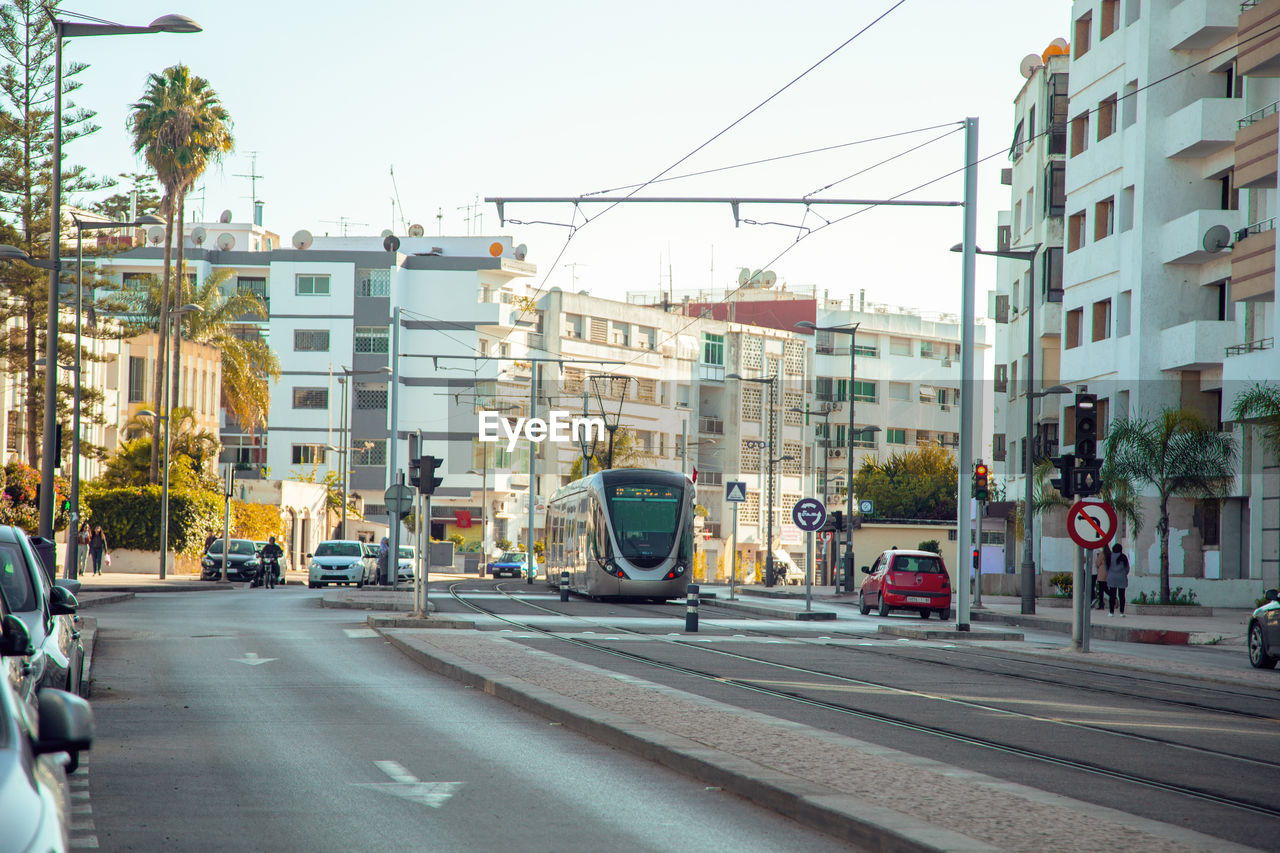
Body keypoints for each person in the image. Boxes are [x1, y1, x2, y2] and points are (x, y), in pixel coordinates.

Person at [1106, 542, 1130, 616]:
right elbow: (1127, 568)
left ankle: (1111, 612)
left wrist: (1110, 574)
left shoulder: (1109, 557)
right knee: (1122, 595)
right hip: (1121, 578)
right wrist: (1123, 573)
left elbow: (1107, 568)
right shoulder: (1123, 557)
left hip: (1112, 578)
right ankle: (1121, 612)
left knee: (1112, 595)